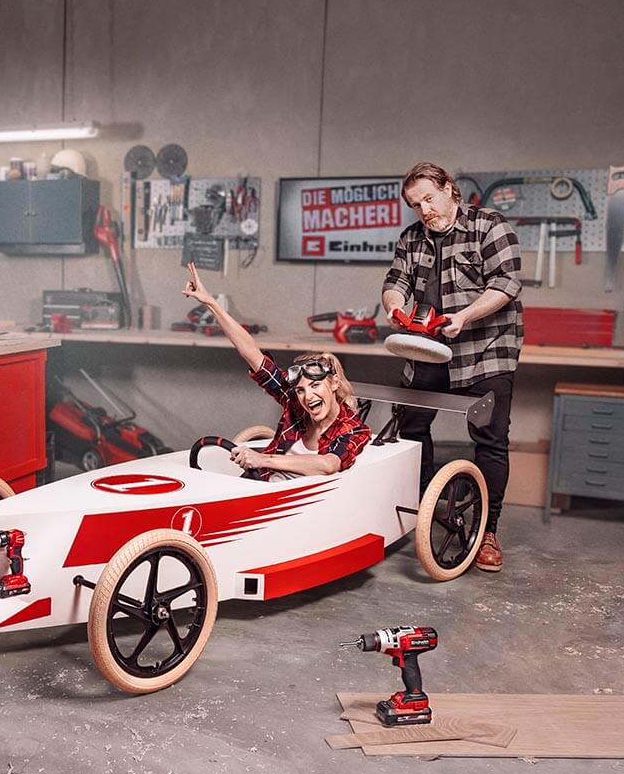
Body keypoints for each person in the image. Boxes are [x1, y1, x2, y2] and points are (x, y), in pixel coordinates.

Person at [381, 162, 524, 573]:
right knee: (409, 428)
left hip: (485, 350)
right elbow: (396, 282)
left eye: (429, 198)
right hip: (429, 347)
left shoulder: (489, 226)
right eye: (415, 204)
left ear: (450, 189)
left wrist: (464, 316)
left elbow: (506, 283)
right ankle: (423, 508)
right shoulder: (412, 238)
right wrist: (394, 305)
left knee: (490, 440)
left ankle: (487, 531)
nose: (424, 210)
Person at [182, 262, 370, 479]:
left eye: (315, 385)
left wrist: (263, 459)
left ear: (334, 383)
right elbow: (251, 352)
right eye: (300, 390)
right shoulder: (296, 405)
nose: (308, 396)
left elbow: (328, 464)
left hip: (301, 497)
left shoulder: (353, 429)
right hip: (262, 483)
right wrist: (210, 303)